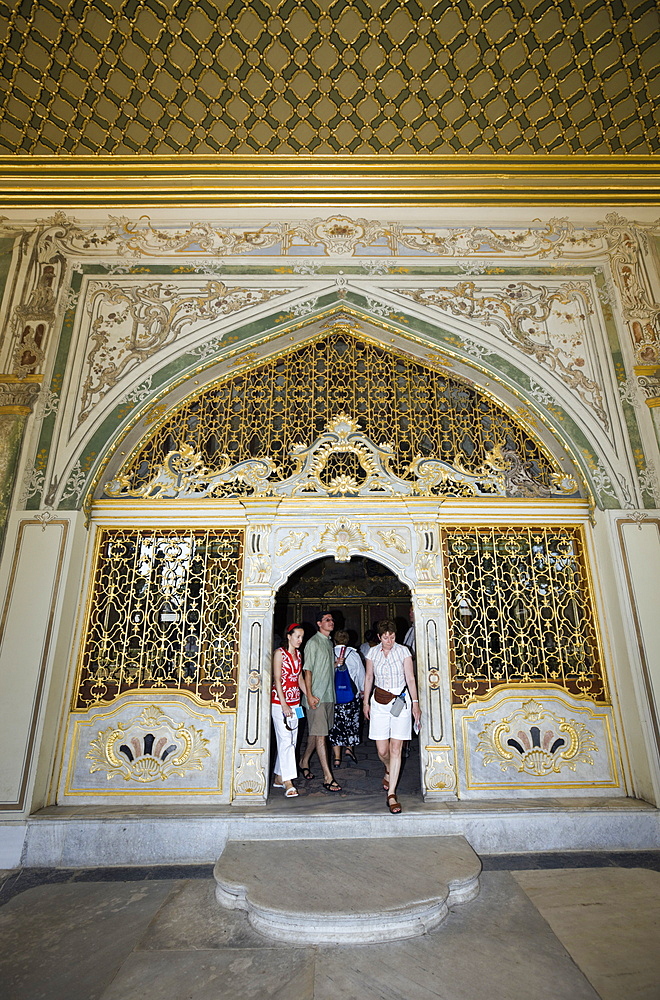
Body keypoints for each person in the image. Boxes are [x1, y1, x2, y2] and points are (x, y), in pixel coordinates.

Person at [363, 619, 421, 814]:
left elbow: (410, 678)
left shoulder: (404, 651)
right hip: (378, 702)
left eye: (392, 637)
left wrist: (415, 703)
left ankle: (392, 794)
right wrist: (365, 702)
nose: (389, 641)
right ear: (379, 637)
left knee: (396, 749)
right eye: (386, 637)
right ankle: (388, 768)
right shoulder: (372, 652)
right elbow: (369, 677)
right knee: (382, 750)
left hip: (401, 702)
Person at [299, 612, 342, 792]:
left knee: (316, 734)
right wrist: (309, 695)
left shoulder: (328, 643)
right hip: (316, 696)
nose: (331, 622)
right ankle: (328, 777)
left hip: (329, 696)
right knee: (321, 736)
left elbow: (322, 667)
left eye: (331, 620)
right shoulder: (313, 643)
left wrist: (335, 664)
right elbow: (307, 671)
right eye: (327, 620)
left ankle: (303, 761)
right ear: (319, 623)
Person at [271, 624, 306, 797]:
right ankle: (288, 781)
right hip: (280, 703)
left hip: (296, 703)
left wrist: (308, 695)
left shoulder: (298, 654)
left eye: (301, 637)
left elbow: (299, 677)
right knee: (285, 740)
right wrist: (283, 704)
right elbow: (277, 679)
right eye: (298, 636)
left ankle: (278, 776)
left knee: (291, 740)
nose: (300, 640)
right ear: (289, 636)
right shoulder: (279, 654)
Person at [330, 630, 365, 768]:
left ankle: (337, 758)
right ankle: (349, 750)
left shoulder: (330, 653)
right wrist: (363, 692)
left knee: (335, 726)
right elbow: (361, 675)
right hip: (351, 697)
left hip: (334, 697)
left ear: (334, 641)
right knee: (351, 724)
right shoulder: (354, 655)